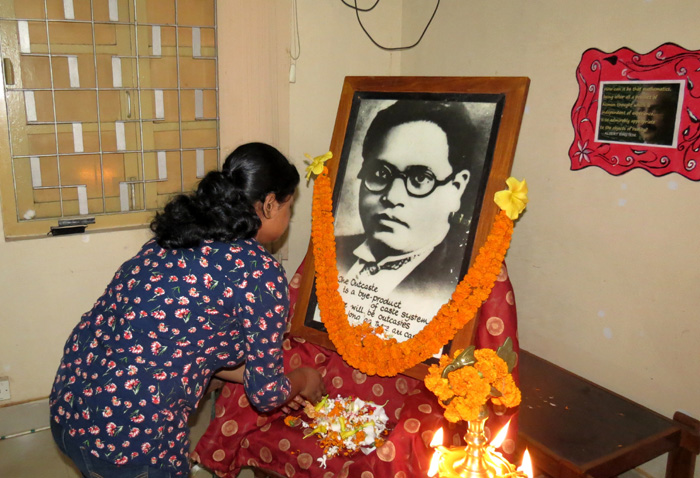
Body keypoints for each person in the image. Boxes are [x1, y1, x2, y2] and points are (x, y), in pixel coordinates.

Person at [49, 142, 326, 478]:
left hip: (71, 409)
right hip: (131, 442)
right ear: (268, 204)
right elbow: (266, 395)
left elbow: (181, 347)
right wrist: (303, 380)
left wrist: (276, 379)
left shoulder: (177, 236)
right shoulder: (259, 273)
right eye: (288, 207)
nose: (288, 216)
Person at [336, 100, 480, 298]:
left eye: (420, 178)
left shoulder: (469, 279)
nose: (392, 197)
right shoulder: (331, 252)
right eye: (380, 173)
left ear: (456, 189)